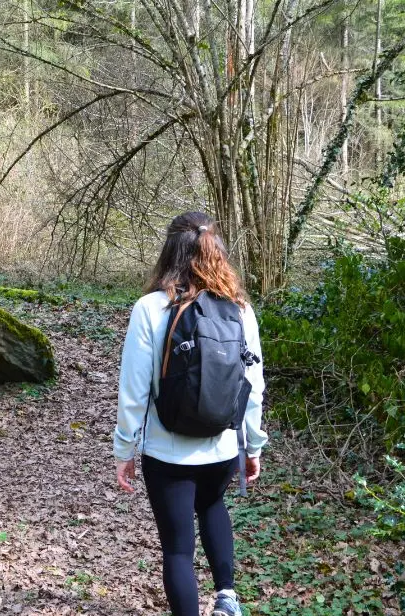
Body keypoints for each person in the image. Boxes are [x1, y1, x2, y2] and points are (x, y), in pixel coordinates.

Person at [113, 211, 267, 616]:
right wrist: (252, 445)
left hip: (168, 451)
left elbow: (133, 390)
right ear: (216, 249)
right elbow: (253, 386)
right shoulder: (240, 309)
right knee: (213, 506)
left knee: (179, 550)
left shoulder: (150, 308)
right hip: (221, 447)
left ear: (169, 251)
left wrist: (124, 450)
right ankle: (227, 599)